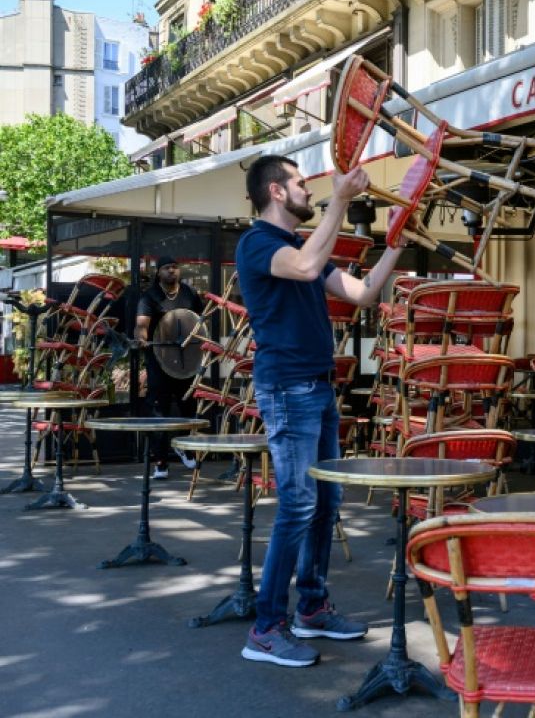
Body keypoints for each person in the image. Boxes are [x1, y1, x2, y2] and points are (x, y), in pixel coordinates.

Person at [236, 155, 405, 668]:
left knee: (326, 505)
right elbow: (309, 267)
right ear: (277, 192)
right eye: (301, 184)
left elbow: (363, 294)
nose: (310, 190)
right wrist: (343, 200)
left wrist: (396, 243)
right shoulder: (259, 244)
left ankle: (311, 607)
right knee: (297, 506)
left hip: (318, 389)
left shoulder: (299, 247)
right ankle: (266, 628)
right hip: (287, 388)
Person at [135, 256, 204, 479]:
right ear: (159, 273)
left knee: (188, 409)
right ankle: (161, 462)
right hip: (159, 361)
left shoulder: (189, 294)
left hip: (188, 362)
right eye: (167, 268)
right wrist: (141, 338)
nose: (172, 271)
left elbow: (200, 323)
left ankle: (187, 448)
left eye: (175, 267)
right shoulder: (150, 296)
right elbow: (141, 325)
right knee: (159, 413)